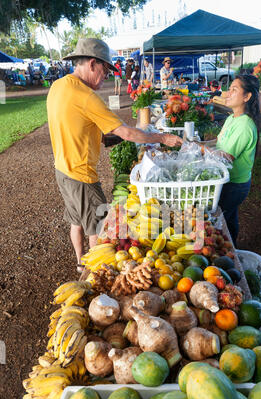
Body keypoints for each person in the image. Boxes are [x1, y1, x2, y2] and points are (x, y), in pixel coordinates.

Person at [47, 38, 182, 272]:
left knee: (76, 221)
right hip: (81, 176)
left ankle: (80, 263)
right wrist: (161, 138)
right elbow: (127, 132)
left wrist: (111, 138)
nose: (107, 75)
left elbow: (76, 125)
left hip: (61, 169)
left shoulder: (58, 86)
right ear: (91, 64)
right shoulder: (86, 96)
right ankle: (93, 275)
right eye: (105, 69)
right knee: (98, 228)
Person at [213, 74, 260, 246]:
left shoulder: (245, 125)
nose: (228, 93)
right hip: (228, 180)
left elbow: (226, 157)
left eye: (234, 90)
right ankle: (233, 249)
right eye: (229, 89)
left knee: (221, 220)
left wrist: (199, 149)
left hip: (235, 184)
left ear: (247, 97)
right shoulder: (232, 118)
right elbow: (220, 145)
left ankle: (229, 251)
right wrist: (200, 144)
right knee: (229, 218)